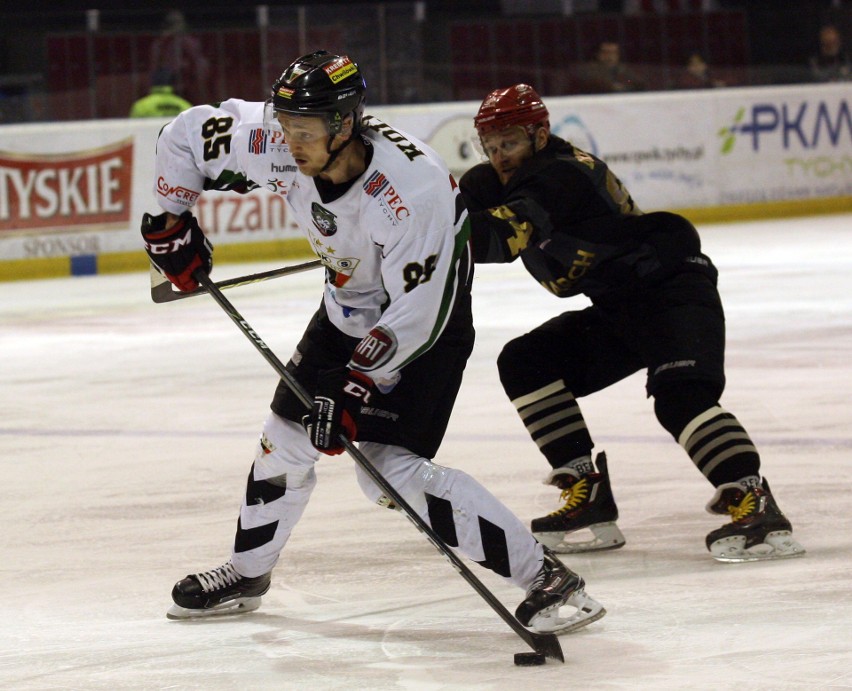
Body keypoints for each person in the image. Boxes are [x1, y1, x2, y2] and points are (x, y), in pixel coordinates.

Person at [141, 52, 605, 635]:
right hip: (346, 308)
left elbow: (420, 309)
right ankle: (247, 573)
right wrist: (170, 221)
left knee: (387, 471)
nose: (290, 140)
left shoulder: (413, 190)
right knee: (284, 442)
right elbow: (182, 135)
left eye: (305, 130)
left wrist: (355, 387)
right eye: (285, 124)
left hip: (426, 328)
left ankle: (547, 579)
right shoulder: (276, 137)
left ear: (346, 122)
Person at [458, 83, 806, 563]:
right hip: (620, 306)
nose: (500, 157)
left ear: (540, 134)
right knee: (526, 360)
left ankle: (753, 498)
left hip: (671, 289)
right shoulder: (499, 181)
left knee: (681, 397)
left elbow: (500, 237)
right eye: (491, 146)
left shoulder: (558, 176)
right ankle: (587, 494)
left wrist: (424, 241)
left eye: (510, 142)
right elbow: (447, 208)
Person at [148, 9, 211, 105]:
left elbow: (199, 63)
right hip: (167, 88)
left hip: (189, 87)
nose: (176, 26)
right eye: (172, 23)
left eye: (178, 22)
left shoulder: (190, 42)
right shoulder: (160, 44)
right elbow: (154, 66)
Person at [575, 41, 645, 94]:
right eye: (606, 52)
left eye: (614, 53)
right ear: (598, 54)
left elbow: (634, 81)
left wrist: (625, 83)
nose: (610, 56)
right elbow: (592, 83)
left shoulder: (622, 68)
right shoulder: (589, 69)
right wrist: (612, 86)